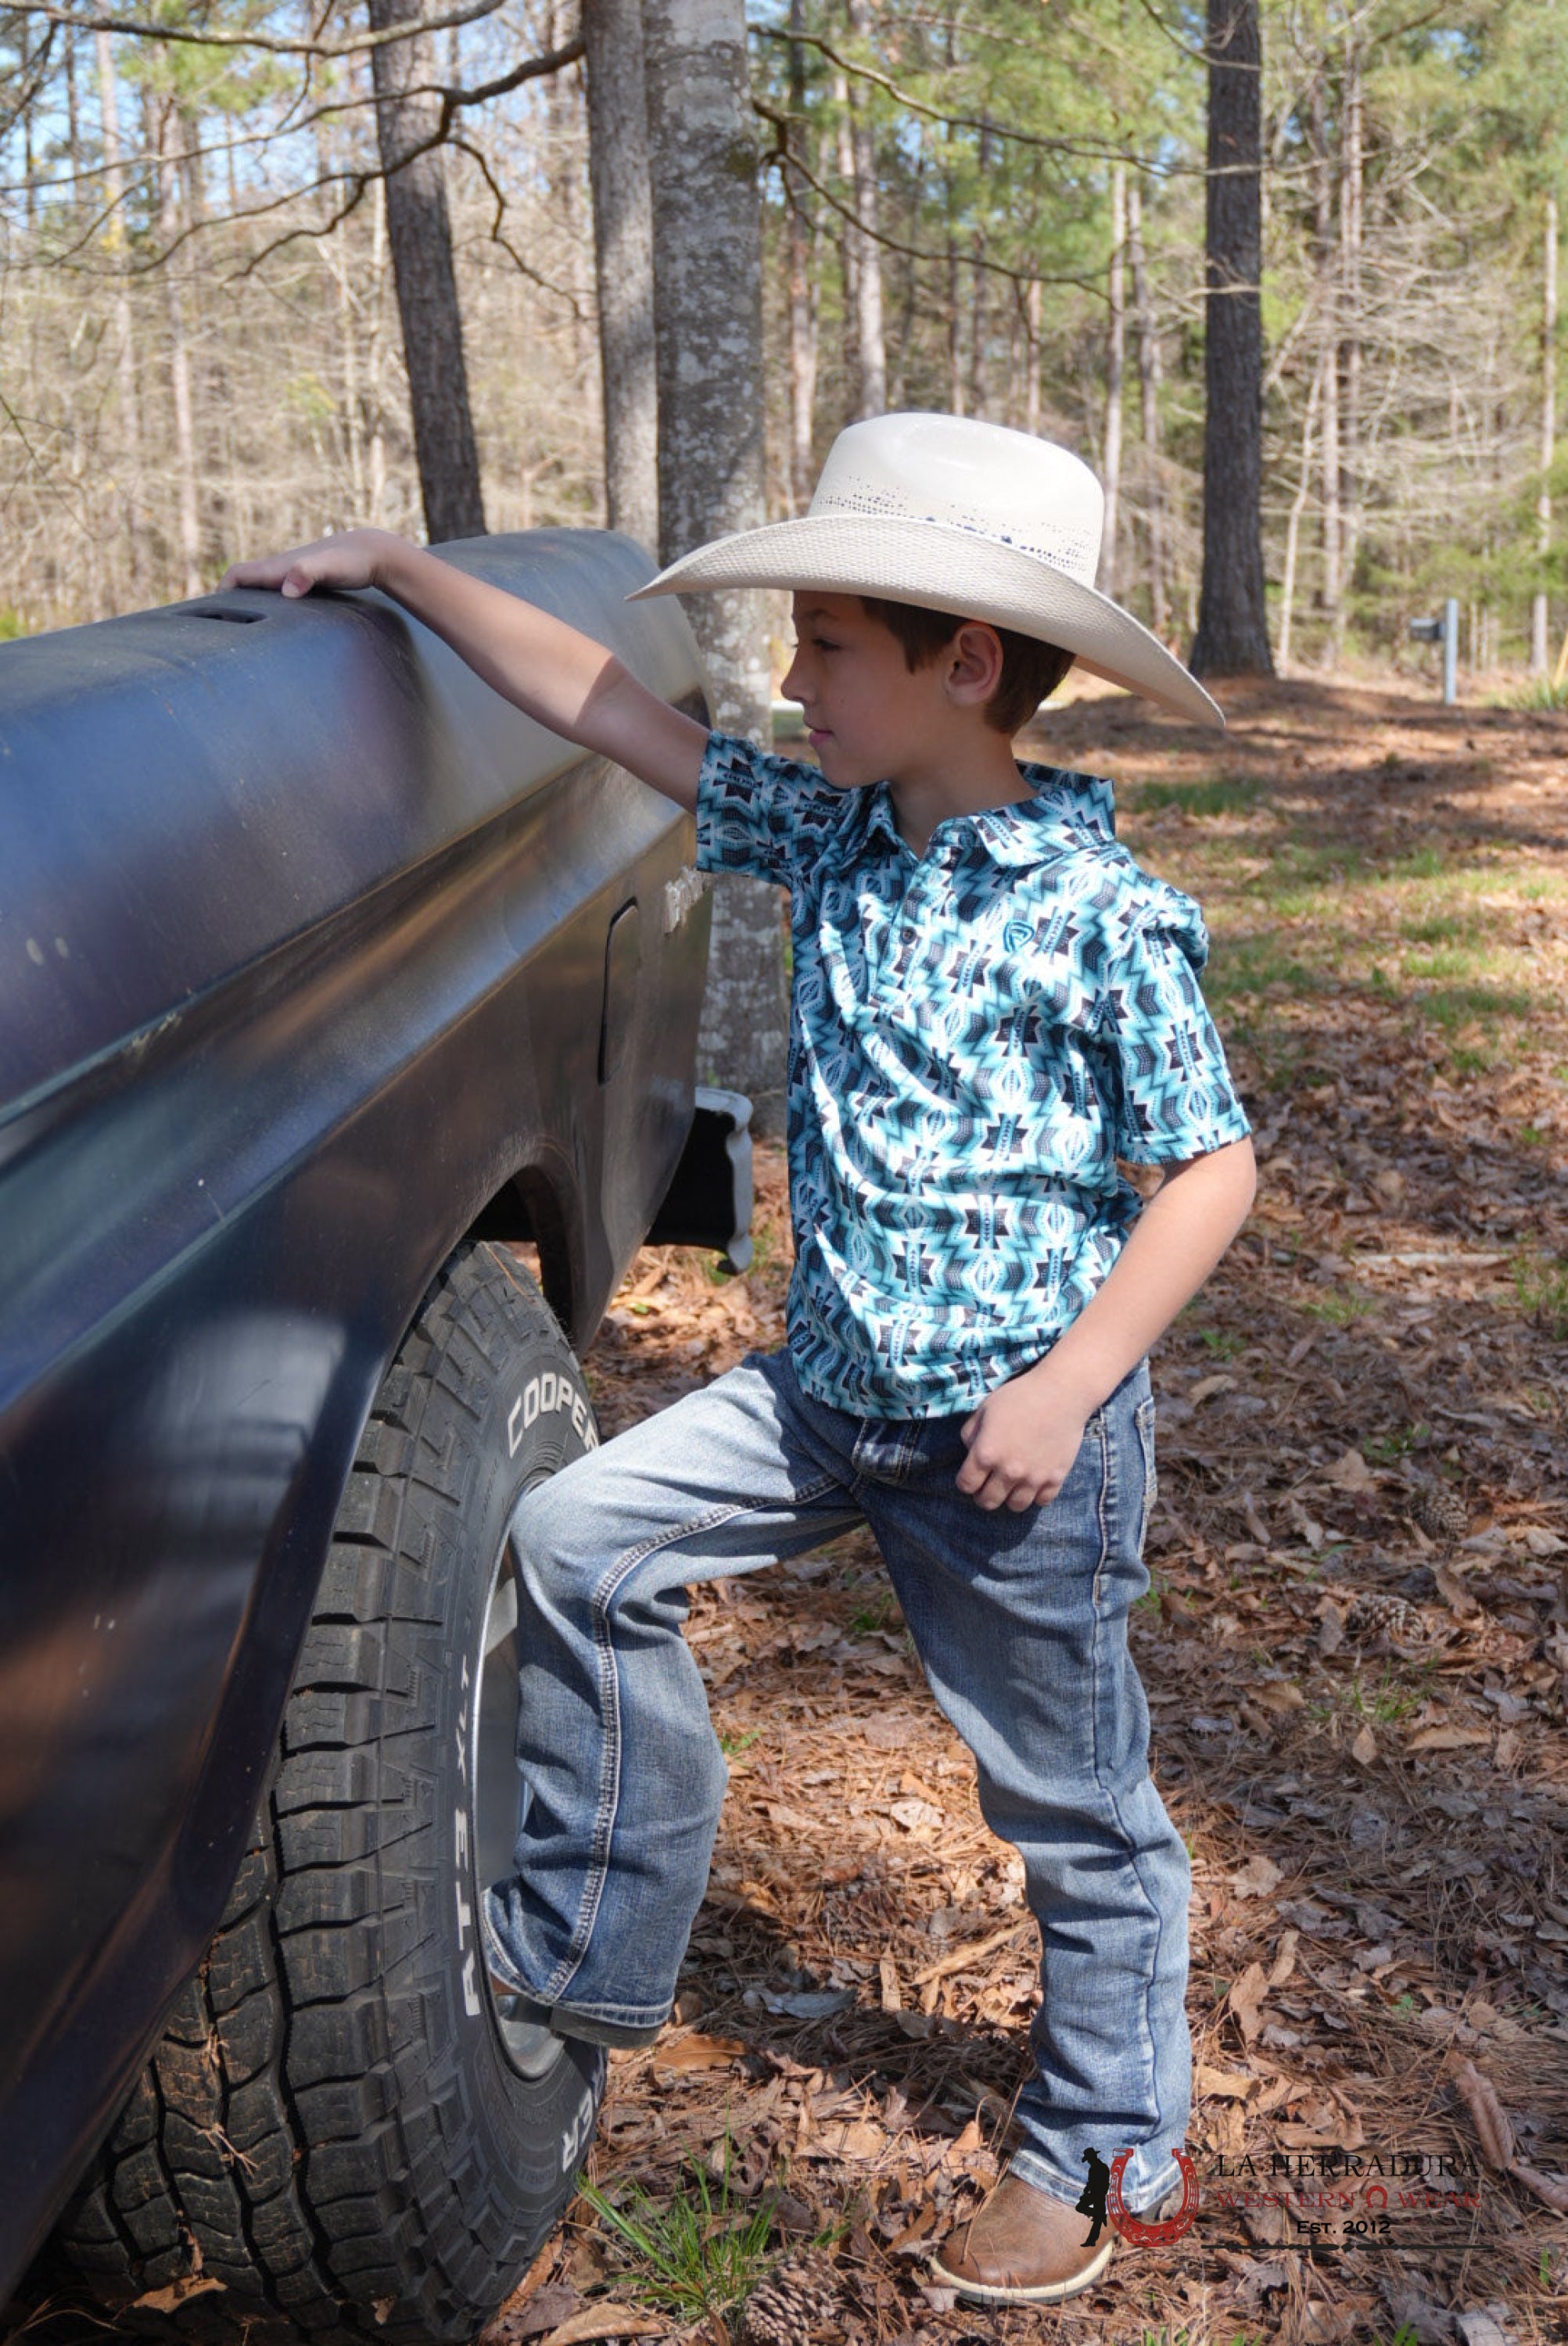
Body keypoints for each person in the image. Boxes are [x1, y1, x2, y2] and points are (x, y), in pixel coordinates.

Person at [222, 411, 1255, 2307]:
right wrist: (404, 573)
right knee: (583, 1541)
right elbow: (614, 711)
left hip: (1013, 1443)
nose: (793, 681)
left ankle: (1096, 2142)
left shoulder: (1095, 910)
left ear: (963, 664)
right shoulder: (840, 829)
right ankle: (592, 1948)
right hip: (825, 1398)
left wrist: (1072, 1383)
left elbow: (1210, 1168)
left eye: (828, 647)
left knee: (1071, 1808)